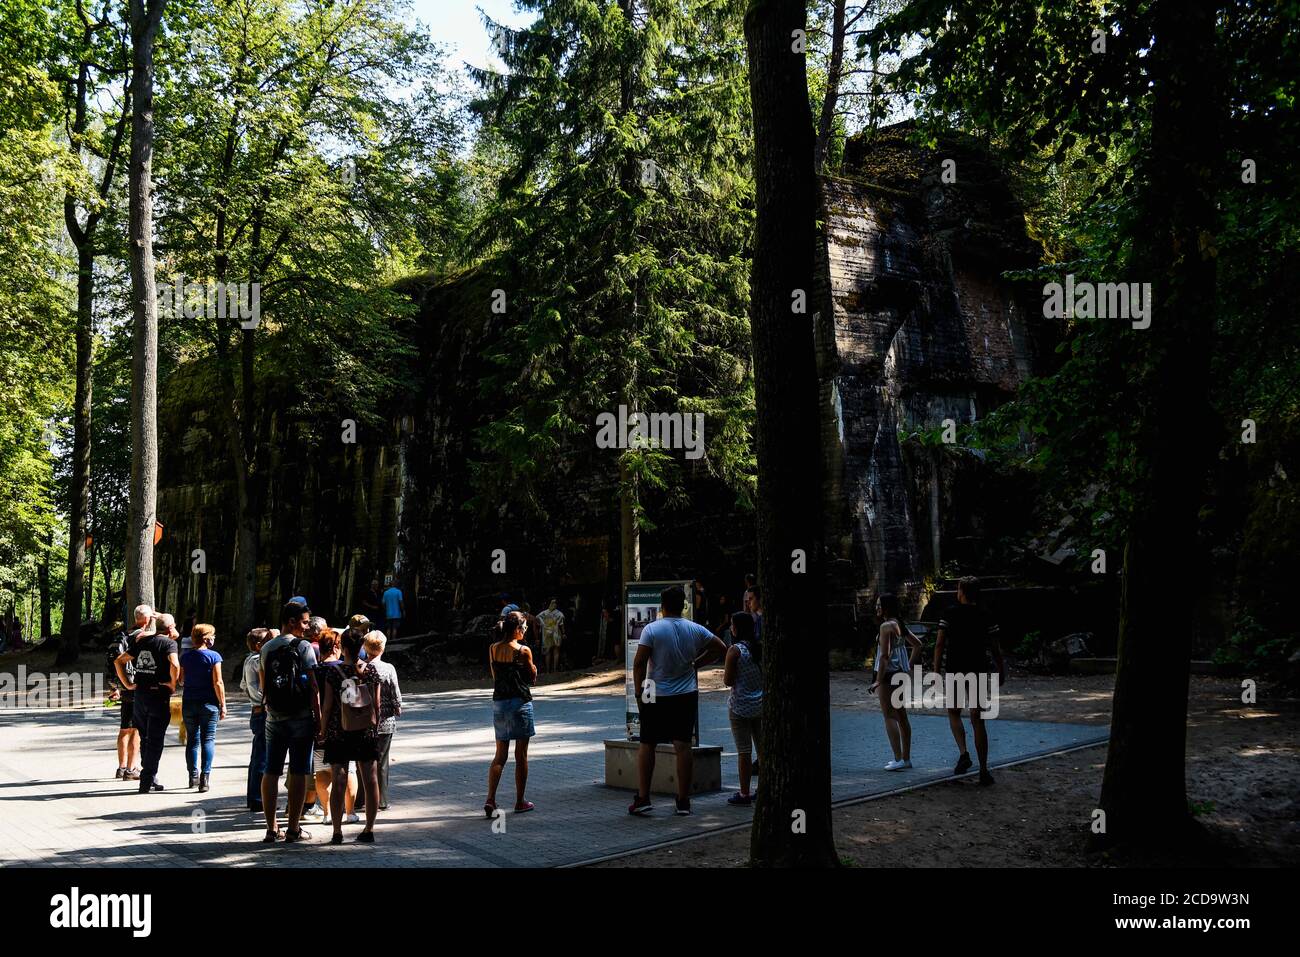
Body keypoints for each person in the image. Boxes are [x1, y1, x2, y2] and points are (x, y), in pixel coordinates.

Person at [629, 584, 727, 816]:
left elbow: (640, 662)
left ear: (661, 606)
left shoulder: (652, 630)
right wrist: (697, 664)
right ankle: (683, 800)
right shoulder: (695, 629)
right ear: (683, 605)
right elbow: (720, 647)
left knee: (647, 744)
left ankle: (643, 797)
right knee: (683, 746)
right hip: (686, 692)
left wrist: (638, 692)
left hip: (654, 692)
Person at [934, 576, 1006, 786]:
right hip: (979, 669)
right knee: (978, 719)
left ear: (961, 592)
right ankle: (984, 770)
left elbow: (939, 644)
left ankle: (964, 753)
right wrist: (1001, 669)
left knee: (954, 712)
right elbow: (995, 648)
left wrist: (936, 671)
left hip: (956, 668)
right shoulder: (986, 614)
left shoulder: (949, 613)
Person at [259, 600, 321, 843]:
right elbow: (314, 687)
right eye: (304, 622)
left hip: (274, 718)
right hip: (301, 718)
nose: (307, 627)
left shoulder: (266, 648)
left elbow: (264, 686)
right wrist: (319, 719)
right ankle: (294, 829)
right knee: (298, 772)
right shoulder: (304, 647)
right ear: (292, 622)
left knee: (271, 771)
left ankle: (271, 828)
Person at [319, 629, 383, 844]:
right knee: (370, 779)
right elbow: (377, 704)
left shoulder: (333, 673)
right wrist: (376, 725)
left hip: (339, 730)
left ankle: (337, 832)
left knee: (339, 778)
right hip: (365, 730)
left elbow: (327, 706)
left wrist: (322, 729)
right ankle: (369, 828)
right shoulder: (371, 671)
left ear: (343, 647)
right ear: (361, 647)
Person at [114, 606, 179, 793]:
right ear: (168, 629)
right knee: (156, 740)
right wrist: (172, 684)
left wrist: (127, 684)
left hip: (140, 696)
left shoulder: (141, 640)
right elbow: (174, 663)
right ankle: (146, 779)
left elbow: (119, 661)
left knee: (144, 738)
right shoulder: (169, 645)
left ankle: (148, 777)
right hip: (158, 695)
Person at [485, 611, 537, 817]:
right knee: (521, 755)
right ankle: (519, 801)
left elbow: (495, 675)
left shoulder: (493, 649)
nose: (525, 630)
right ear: (516, 629)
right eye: (523, 627)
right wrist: (532, 669)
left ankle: (491, 798)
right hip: (520, 703)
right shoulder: (523, 650)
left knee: (500, 755)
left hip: (499, 702)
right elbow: (532, 676)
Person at [868, 594, 922, 772]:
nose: (876, 608)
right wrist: (907, 667)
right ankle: (906, 759)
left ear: (886, 607)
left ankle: (898, 758)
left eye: (879, 605)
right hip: (900, 674)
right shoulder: (898, 624)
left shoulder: (885, 626)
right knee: (902, 716)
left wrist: (877, 681)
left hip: (888, 675)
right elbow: (917, 644)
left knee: (889, 716)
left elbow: (884, 656)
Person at [311, 628, 359, 825]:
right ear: (338, 647)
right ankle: (349, 812)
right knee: (348, 771)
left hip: (322, 726)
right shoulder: (348, 668)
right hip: (346, 726)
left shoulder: (316, 670)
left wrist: (320, 727)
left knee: (322, 771)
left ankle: (327, 814)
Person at [723, 611, 762, 805]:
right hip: (761, 705)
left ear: (736, 628)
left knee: (744, 751)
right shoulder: (761, 648)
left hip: (739, 706)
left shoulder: (735, 651)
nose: (730, 628)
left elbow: (728, 680)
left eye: (732, 625)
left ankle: (745, 793)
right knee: (763, 750)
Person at [180, 623, 225, 791]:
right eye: (212, 635)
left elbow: (181, 680)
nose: (214, 638)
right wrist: (223, 704)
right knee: (208, 739)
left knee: (192, 740)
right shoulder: (214, 656)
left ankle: (192, 776)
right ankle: (205, 777)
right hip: (209, 703)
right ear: (206, 639)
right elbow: (218, 682)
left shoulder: (185, 657)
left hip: (189, 701)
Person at [362, 631, 402, 810]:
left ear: (365, 647)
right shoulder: (388, 668)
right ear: (383, 647)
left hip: (363, 721)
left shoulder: (361, 668)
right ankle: (382, 800)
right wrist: (397, 705)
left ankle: (362, 799)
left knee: (364, 761)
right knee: (382, 762)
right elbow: (395, 691)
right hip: (385, 721)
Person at [109, 607, 147, 781]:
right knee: (136, 730)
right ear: (146, 620)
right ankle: (131, 769)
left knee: (125, 728)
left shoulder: (121, 636)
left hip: (125, 687)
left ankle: (121, 767)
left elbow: (111, 661)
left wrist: (115, 686)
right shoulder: (143, 638)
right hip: (138, 685)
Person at [240, 628, 270, 812]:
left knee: (257, 756)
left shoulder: (247, 659)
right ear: (259, 645)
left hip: (255, 709)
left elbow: (243, 685)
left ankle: (253, 797)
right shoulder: (258, 660)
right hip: (263, 709)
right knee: (262, 758)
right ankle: (258, 799)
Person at [538, 598, 565, 673]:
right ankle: (551, 670)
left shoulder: (543, 613)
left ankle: (551, 670)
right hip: (554, 633)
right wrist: (563, 633)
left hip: (549, 634)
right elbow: (561, 624)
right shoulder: (559, 613)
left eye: (555, 603)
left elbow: (538, 620)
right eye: (553, 603)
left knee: (552, 651)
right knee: (551, 651)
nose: (554, 605)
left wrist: (563, 633)